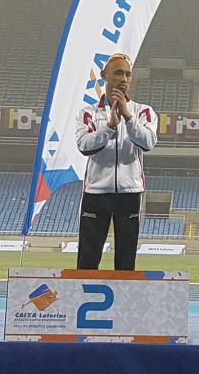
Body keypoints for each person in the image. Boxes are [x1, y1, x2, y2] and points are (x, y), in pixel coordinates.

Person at [75, 53, 157, 270]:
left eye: (127, 74)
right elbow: (84, 145)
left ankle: (125, 302)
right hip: (96, 192)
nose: (123, 79)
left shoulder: (143, 111)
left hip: (130, 192)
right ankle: (83, 301)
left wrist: (128, 118)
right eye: (118, 73)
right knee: (88, 258)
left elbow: (148, 142)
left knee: (126, 259)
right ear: (104, 75)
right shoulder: (88, 113)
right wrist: (109, 126)